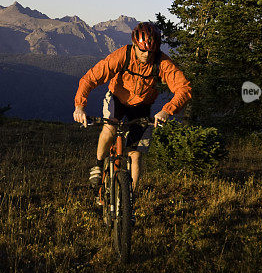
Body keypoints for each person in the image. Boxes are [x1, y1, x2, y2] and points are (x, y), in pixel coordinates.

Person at [73, 21, 191, 192]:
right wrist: (79, 106)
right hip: (117, 100)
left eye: (151, 50)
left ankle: (130, 199)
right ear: (135, 45)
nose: (146, 54)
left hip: (142, 106)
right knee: (110, 128)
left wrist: (167, 110)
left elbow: (184, 88)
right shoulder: (123, 55)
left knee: (135, 154)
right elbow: (91, 78)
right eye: (142, 49)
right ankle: (98, 165)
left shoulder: (162, 62)